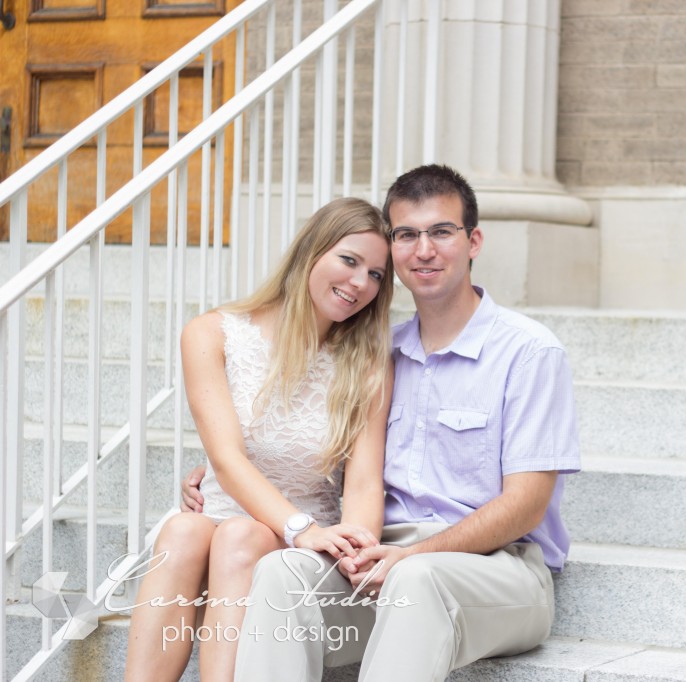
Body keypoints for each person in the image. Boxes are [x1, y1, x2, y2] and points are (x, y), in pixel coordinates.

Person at [182, 165, 582, 682]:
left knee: (415, 580)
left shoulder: (528, 352)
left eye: (441, 232)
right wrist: (215, 471)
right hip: (381, 555)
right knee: (281, 572)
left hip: (500, 572)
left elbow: (525, 504)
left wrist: (413, 553)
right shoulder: (375, 353)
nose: (424, 250)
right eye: (407, 235)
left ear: (473, 240)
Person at [124, 197, 394, 682]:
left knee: (240, 536)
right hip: (234, 519)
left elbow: (363, 482)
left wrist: (354, 547)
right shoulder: (212, 334)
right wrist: (298, 527)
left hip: (306, 540)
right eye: (349, 261)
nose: (360, 283)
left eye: (376, 275)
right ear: (310, 253)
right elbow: (226, 460)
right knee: (183, 531)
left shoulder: (367, 363)